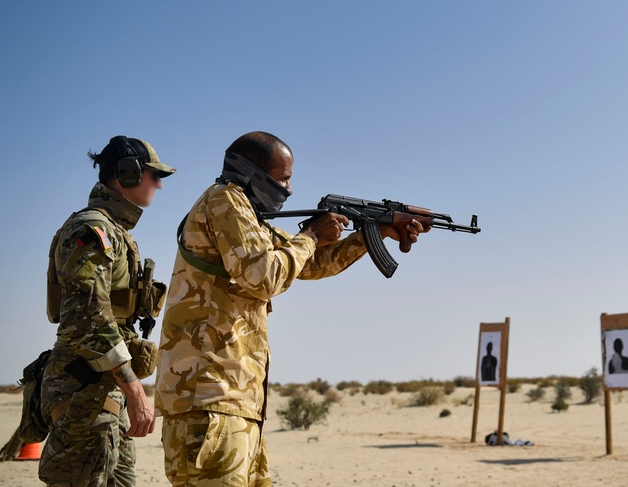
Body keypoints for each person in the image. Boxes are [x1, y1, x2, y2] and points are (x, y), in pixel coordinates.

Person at [155, 131, 428, 486]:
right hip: (209, 398)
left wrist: (373, 232)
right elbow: (263, 276)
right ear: (254, 173)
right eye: (283, 178)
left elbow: (311, 264)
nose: (289, 188)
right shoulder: (226, 201)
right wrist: (312, 234)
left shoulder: (248, 217)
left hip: (233, 402)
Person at [39, 136, 175, 487]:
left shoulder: (115, 232)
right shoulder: (92, 230)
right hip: (85, 393)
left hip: (103, 391)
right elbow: (87, 317)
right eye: (153, 174)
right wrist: (134, 390)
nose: (158, 185)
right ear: (127, 175)